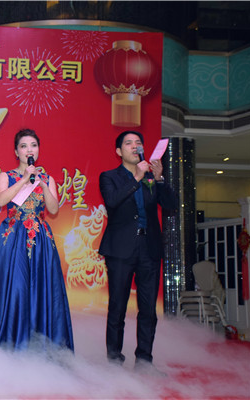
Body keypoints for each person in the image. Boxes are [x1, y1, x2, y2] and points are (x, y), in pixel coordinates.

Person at [0, 128, 74, 351]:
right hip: (12, 237)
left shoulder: (47, 179)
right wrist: (25, 180)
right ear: (16, 151)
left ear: (38, 150)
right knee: (15, 288)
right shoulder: (6, 176)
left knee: (40, 288)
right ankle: (10, 339)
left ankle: (38, 341)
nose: (29, 150)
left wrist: (42, 185)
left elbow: (53, 209)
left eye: (33, 146)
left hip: (40, 240)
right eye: (24, 146)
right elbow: (1, 201)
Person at [99, 130, 178, 370]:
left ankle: (144, 361)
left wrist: (159, 178)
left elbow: (171, 205)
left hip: (149, 248)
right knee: (117, 307)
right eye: (129, 143)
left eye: (138, 143)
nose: (135, 146)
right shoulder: (109, 177)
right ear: (119, 151)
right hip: (120, 250)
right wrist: (137, 177)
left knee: (148, 310)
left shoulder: (151, 178)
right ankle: (114, 361)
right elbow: (112, 201)